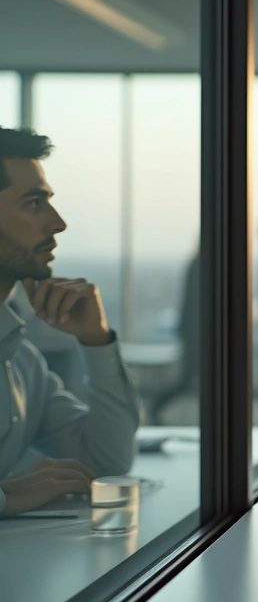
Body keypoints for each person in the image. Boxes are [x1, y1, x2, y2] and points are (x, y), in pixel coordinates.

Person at [0, 126, 139, 515]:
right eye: (33, 203)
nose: (57, 223)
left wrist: (96, 340)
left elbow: (107, 462)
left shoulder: (20, 362)